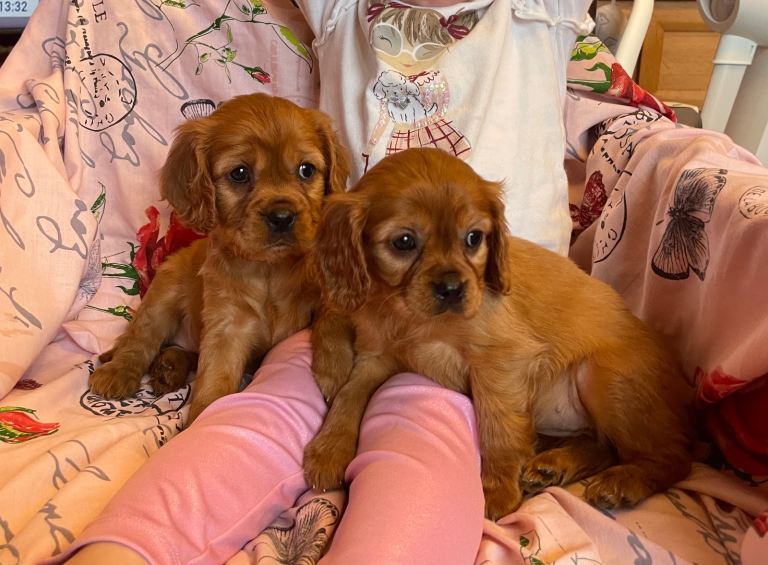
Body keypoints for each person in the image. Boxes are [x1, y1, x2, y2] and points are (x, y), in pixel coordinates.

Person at [54, 0, 597, 563]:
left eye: (304, 172)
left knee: (426, 444)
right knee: (262, 414)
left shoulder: (539, 11)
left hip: (471, 329)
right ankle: (123, 551)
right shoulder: (341, 9)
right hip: (359, 304)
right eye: (240, 176)